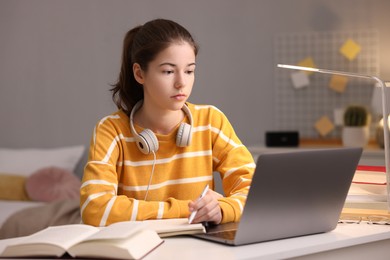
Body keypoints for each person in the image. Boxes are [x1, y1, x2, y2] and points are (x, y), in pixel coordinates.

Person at [80, 18, 255, 227]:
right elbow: (95, 208)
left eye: (189, 71)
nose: (182, 82)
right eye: (168, 71)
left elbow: (256, 193)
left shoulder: (211, 121)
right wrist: (188, 209)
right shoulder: (111, 130)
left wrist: (222, 209)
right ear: (139, 73)